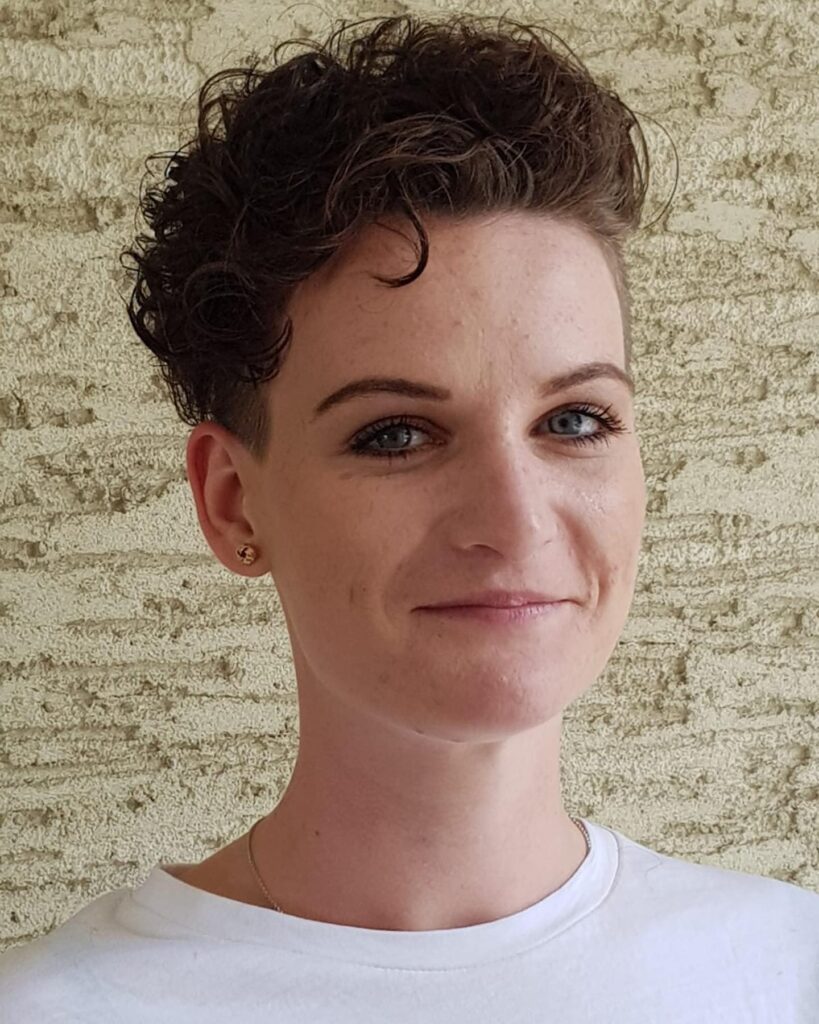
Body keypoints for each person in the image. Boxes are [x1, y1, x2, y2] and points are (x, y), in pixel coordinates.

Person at [1, 12, 816, 1022]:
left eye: (574, 420)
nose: (515, 521)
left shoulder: (789, 970)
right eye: (395, 434)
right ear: (231, 500)